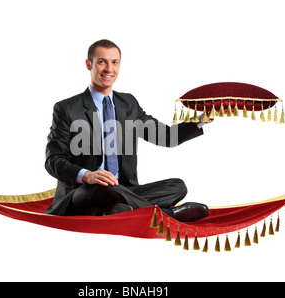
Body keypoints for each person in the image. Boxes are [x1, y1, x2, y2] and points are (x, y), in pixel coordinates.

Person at [44, 39, 210, 222]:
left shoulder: (128, 104)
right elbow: (53, 160)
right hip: (86, 190)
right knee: (102, 190)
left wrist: (201, 120)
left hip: (124, 189)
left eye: (114, 62)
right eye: (101, 62)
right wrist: (87, 175)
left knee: (178, 186)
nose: (109, 69)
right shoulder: (66, 108)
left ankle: (121, 209)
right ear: (88, 64)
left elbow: (166, 136)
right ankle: (167, 214)